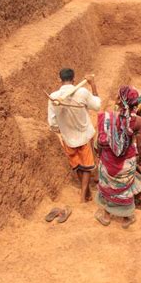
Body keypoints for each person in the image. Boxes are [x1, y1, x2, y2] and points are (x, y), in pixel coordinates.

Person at [48, 68, 101, 202]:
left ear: (59, 80)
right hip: (84, 136)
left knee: (77, 165)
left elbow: (52, 122)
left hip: (68, 138)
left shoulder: (53, 97)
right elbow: (97, 105)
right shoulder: (82, 92)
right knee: (87, 166)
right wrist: (93, 85)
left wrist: (63, 129)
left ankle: (87, 192)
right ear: (74, 79)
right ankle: (83, 197)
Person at [95, 86, 141, 228]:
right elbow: (140, 144)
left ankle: (106, 216)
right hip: (126, 163)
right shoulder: (139, 121)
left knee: (108, 187)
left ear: (119, 100)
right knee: (124, 189)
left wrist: (100, 156)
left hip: (109, 161)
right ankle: (127, 217)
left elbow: (100, 141)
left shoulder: (107, 117)